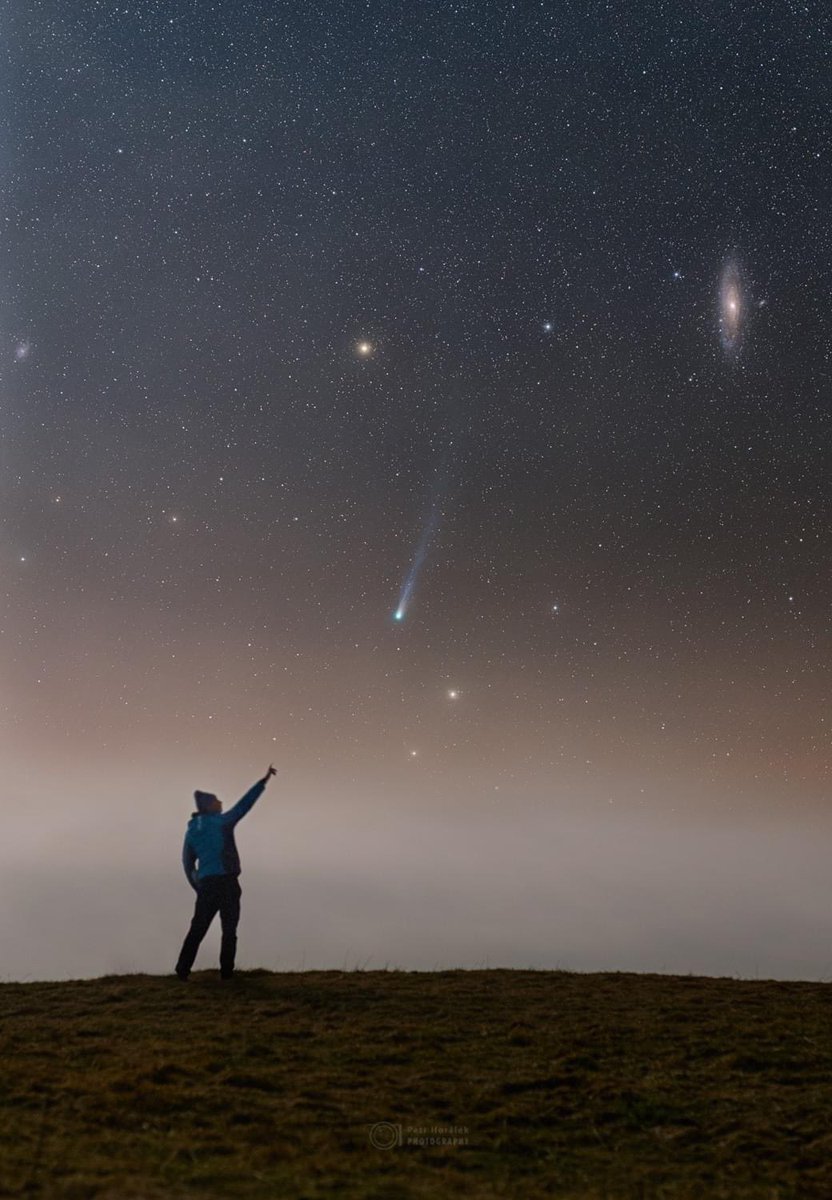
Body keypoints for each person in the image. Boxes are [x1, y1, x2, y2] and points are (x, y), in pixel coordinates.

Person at [174, 764, 276, 980]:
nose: (220, 802)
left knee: (197, 929)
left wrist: (198, 884)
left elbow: (187, 862)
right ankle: (226, 973)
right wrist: (263, 781)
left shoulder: (191, 830)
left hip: (207, 885)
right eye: (216, 800)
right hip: (227, 882)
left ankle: (182, 970)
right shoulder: (222, 822)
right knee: (229, 930)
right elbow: (244, 805)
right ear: (209, 806)